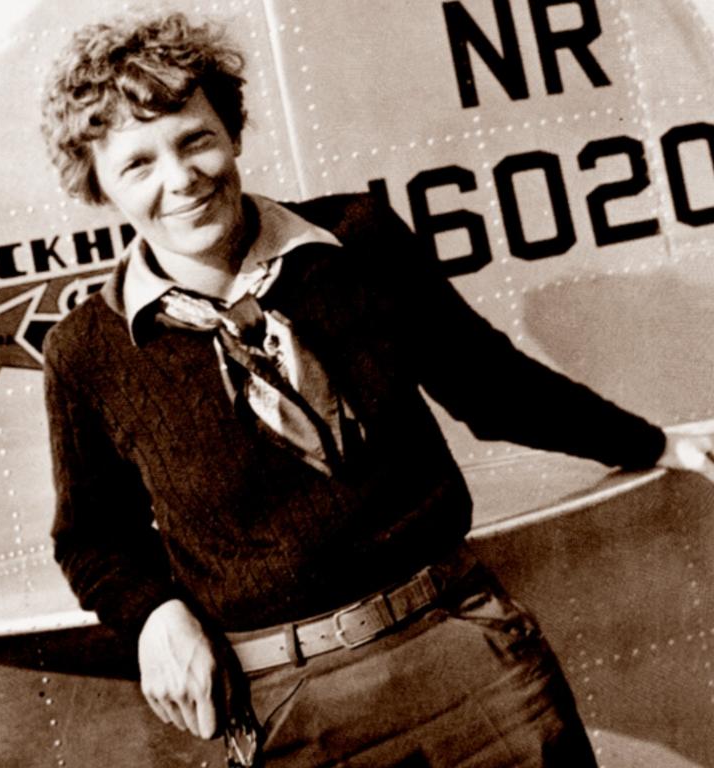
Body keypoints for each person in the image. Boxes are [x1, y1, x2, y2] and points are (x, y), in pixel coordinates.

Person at [40, 11, 714, 768]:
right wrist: (154, 613)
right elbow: (93, 540)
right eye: (138, 163)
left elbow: (493, 386)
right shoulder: (86, 354)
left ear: (230, 132)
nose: (182, 177)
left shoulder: (361, 243)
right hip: (292, 710)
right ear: (97, 185)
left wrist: (656, 442)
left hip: (467, 649)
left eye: (196, 139)